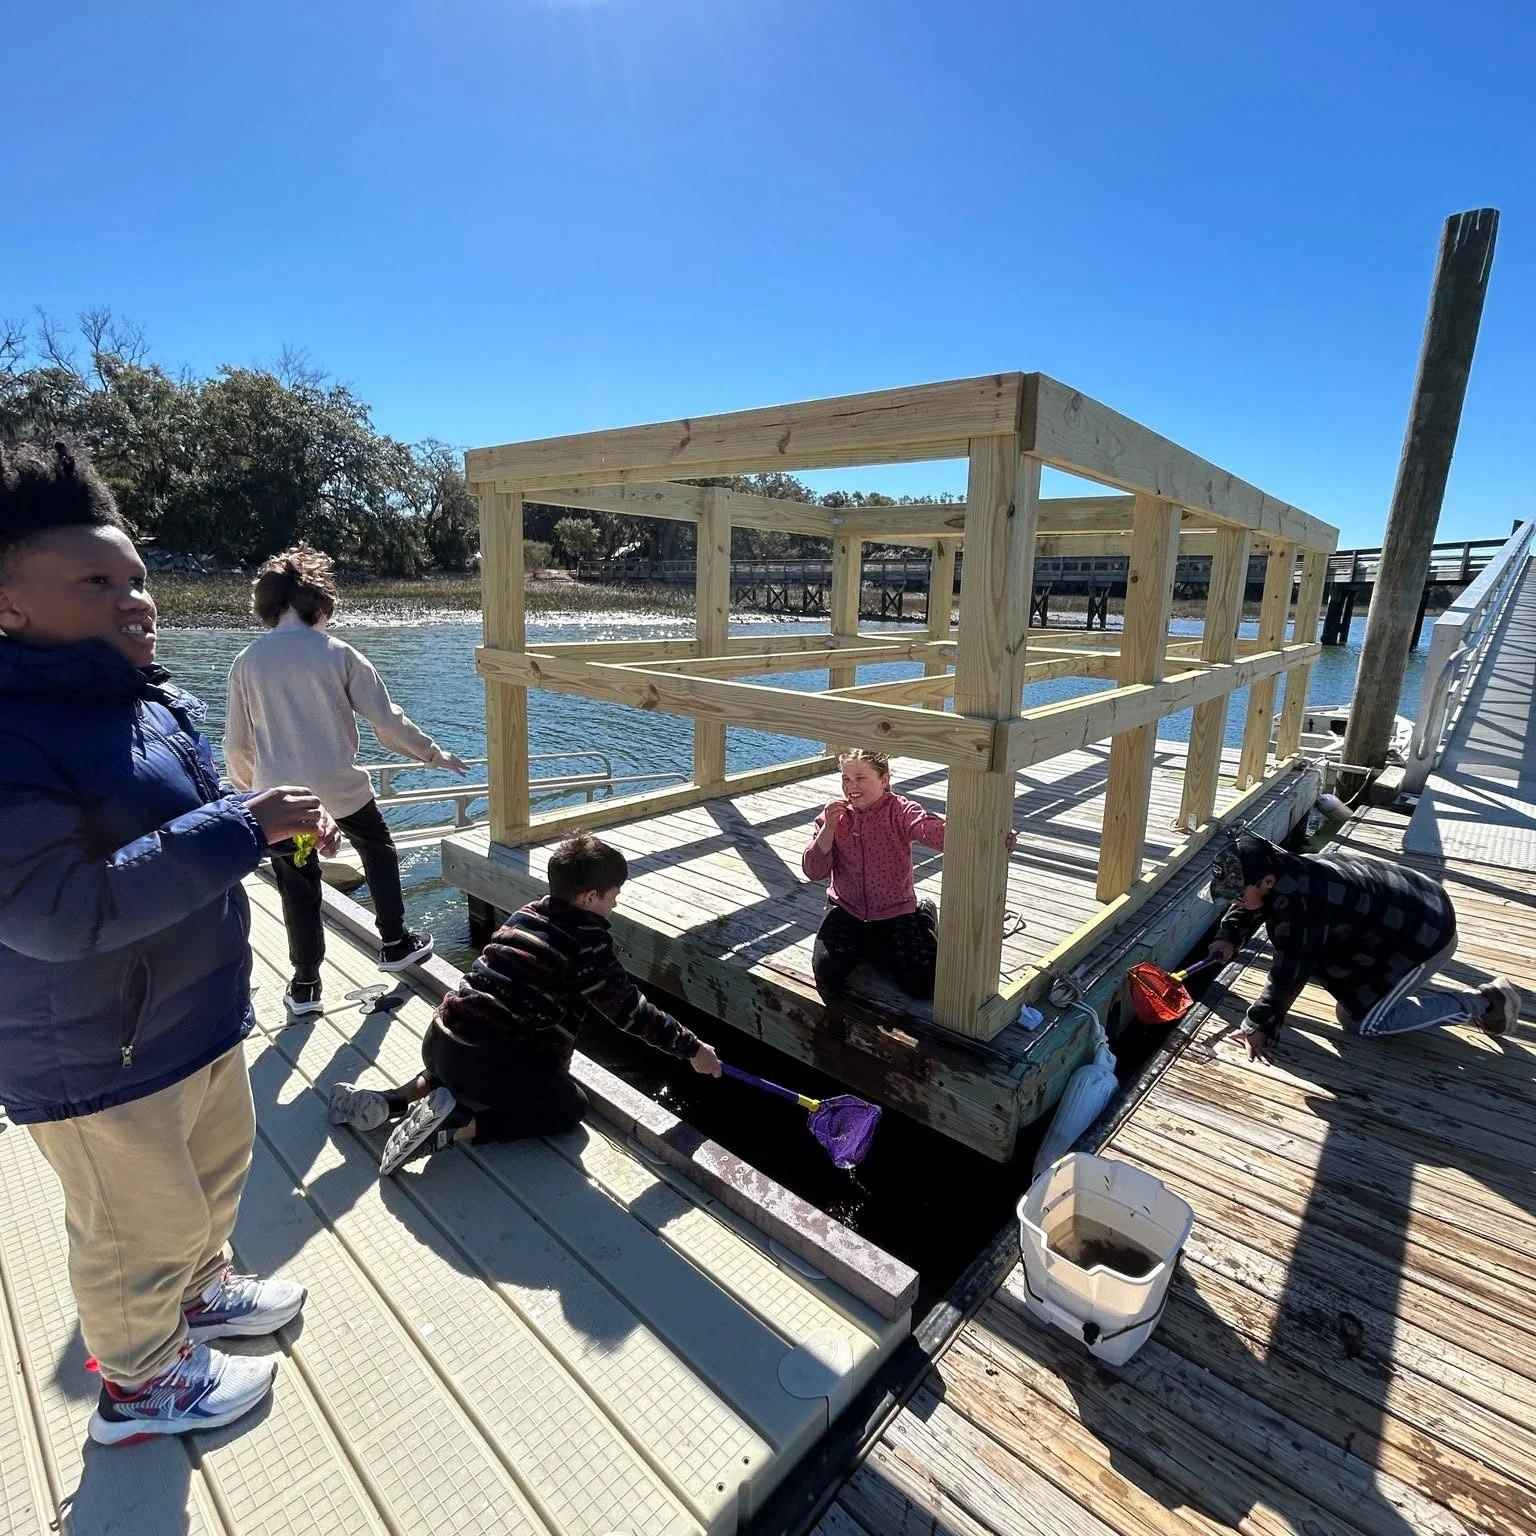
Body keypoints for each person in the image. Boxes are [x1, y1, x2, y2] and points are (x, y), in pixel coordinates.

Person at [0, 442, 339, 1445]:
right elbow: (56, 912)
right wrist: (240, 827)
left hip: (191, 1017)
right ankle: (138, 1388)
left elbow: (165, 825)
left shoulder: (147, 694)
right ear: (8, 604)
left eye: (137, 578)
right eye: (96, 583)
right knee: (129, 1233)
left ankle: (200, 1294)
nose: (134, 600)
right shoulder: (12, 731)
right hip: (96, 1051)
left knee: (211, 1182)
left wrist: (241, 811)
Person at [328, 832, 723, 1174]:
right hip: (485, 1066)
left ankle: (393, 1100)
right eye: (613, 897)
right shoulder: (587, 942)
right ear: (589, 896)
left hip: (439, 1040)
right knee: (568, 1108)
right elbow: (632, 1013)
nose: (614, 906)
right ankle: (455, 1130)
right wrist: (692, 1049)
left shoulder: (528, 913)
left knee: (480, 1028)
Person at [223, 545, 469, 1015]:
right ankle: (395, 941)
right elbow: (387, 722)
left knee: (299, 886)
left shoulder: (246, 663)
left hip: (285, 800)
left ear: (269, 604)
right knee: (378, 850)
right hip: (342, 792)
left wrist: (252, 796)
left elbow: (237, 746)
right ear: (318, 601)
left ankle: (305, 985)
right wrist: (432, 753)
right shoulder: (339, 654)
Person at [1204, 831, 1521, 1063]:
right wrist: (1228, 935)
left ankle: (1485, 1002)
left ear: (1267, 882)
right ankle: (1394, 993)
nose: (1234, 900)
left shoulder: (1303, 905)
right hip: (1403, 908)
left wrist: (1257, 1026)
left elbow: (1289, 972)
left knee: (1364, 1021)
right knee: (1323, 970)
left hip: (1424, 934)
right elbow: (1249, 904)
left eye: (1236, 892)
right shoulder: (1282, 870)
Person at [801, 748, 1017, 1001]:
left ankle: (924, 914)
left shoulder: (900, 810)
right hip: (846, 908)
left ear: (884, 780)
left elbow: (932, 831)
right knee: (828, 975)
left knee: (923, 985)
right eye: (846, 779)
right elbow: (814, 871)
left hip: (895, 911)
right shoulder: (832, 816)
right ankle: (872, 945)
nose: (851, 786)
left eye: (860, 778)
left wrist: (991, 837)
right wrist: (829, 827)